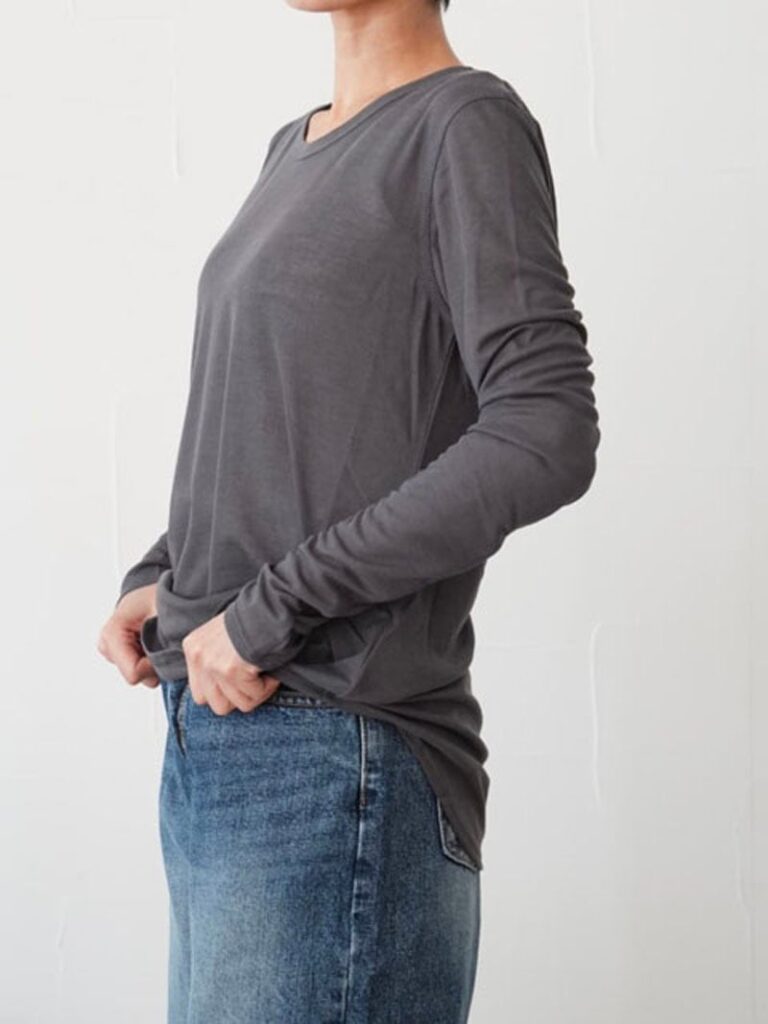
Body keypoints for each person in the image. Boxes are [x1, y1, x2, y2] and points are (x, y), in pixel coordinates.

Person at [97, 0, 600, 1020]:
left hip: (335, 744)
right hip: (222, 735)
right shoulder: (292, 146)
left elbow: (545, 429)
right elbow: (283, 418)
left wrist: (272, 605)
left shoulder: (464, 124)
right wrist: (168, 570)